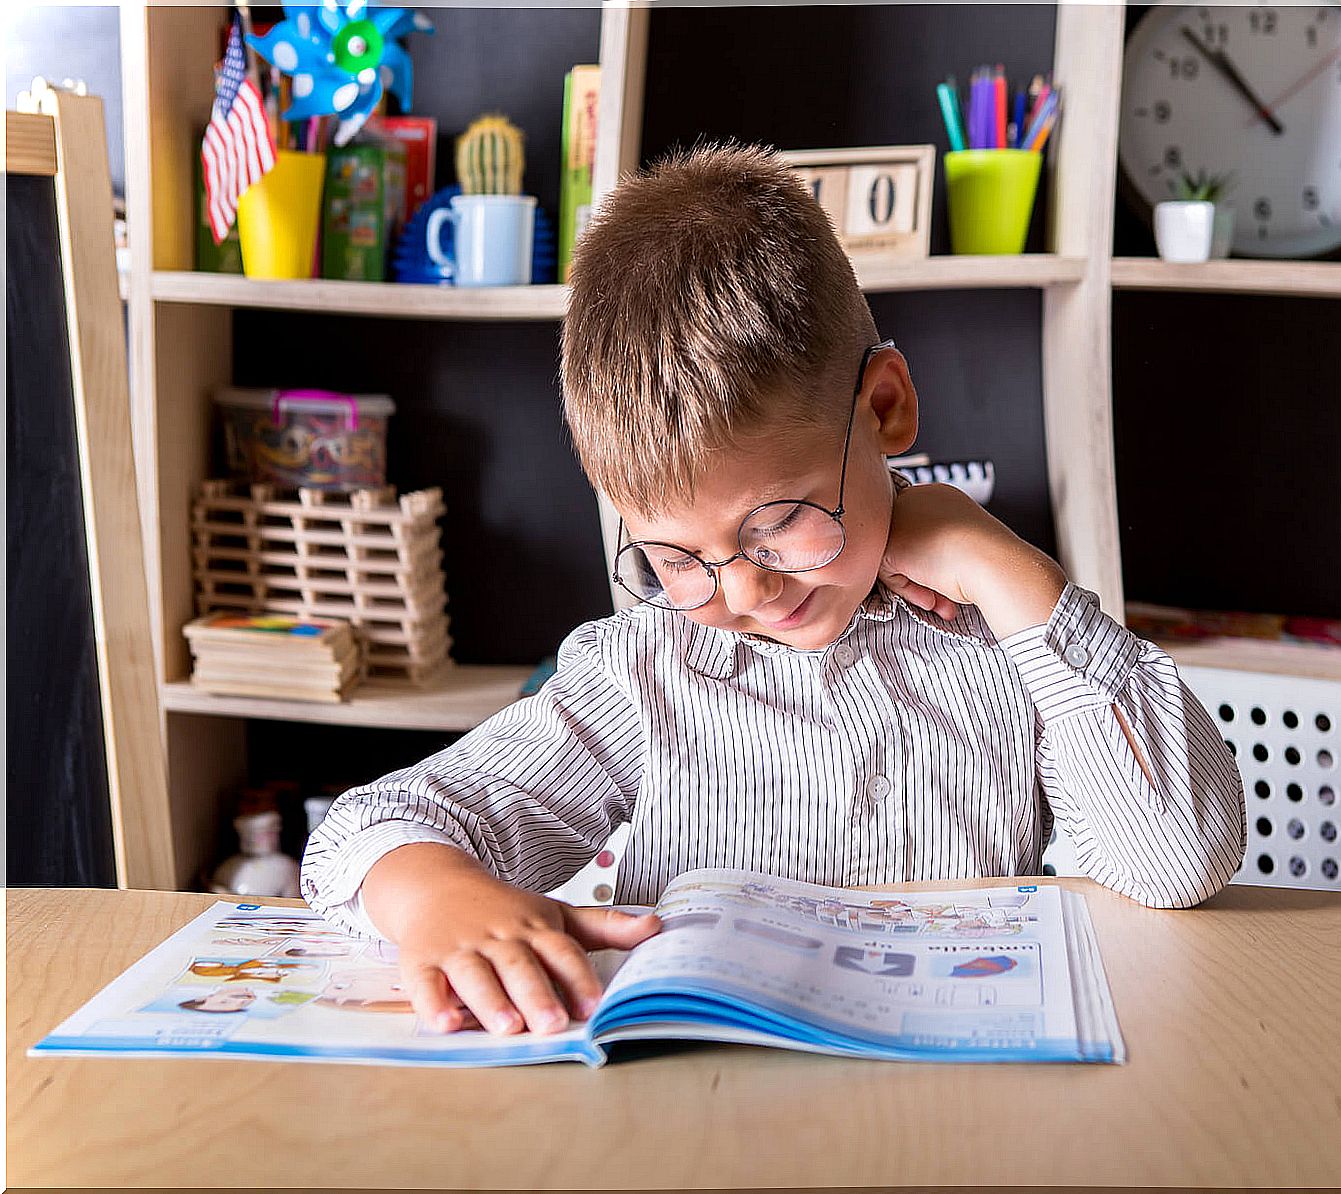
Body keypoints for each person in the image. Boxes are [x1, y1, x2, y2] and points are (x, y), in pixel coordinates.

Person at [302, 142, 1246, 1039]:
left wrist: (998, 562)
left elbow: (1175, 860)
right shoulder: (647, 667)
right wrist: (434, 894)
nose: (743, 589)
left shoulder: (1005, 646)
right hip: (701, 1115)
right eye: (673, 558)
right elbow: (368, 832)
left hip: (955, 1118)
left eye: (779, 522)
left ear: (885, 409)